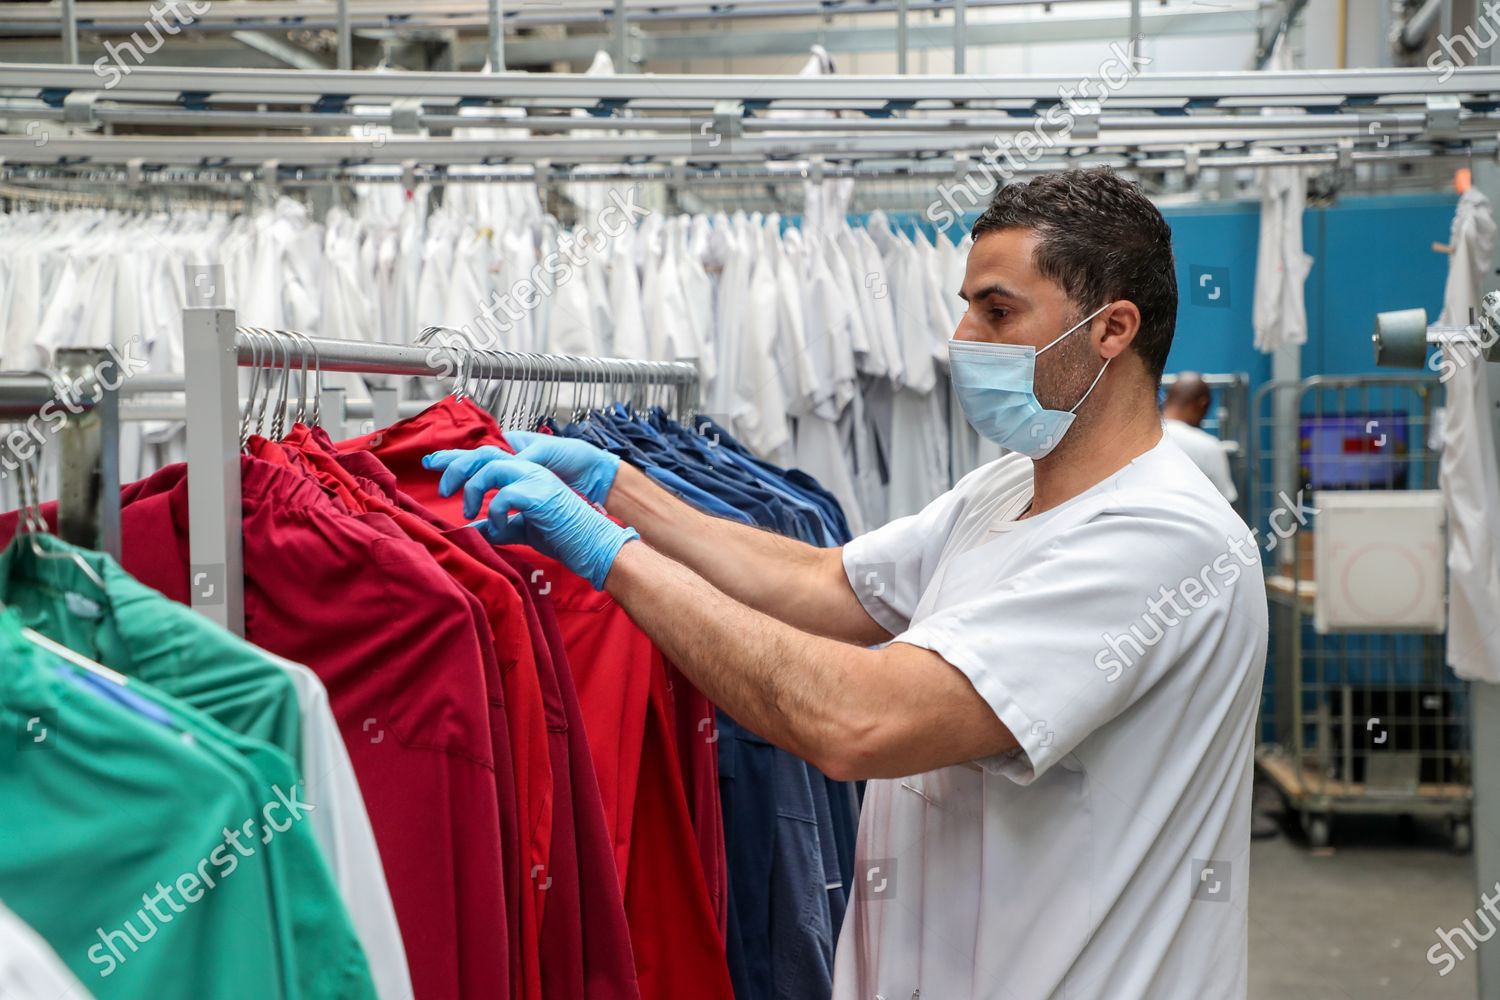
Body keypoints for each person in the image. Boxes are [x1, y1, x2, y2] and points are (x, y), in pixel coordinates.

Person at [426, 168, 1269, 1000]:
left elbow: (856, 720)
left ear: (1112, 328)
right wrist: (619, 488)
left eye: (997, 310)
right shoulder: (1012, 485)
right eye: (967, 304)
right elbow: (830, 582)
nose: (962, 336)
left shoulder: (1160, 539)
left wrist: (613, 556)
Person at [1162, 372, 1240, 502]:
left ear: (1166, 399)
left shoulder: (1140, 438)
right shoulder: (1208, 446)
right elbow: (1225, 500)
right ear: (1202, 404)